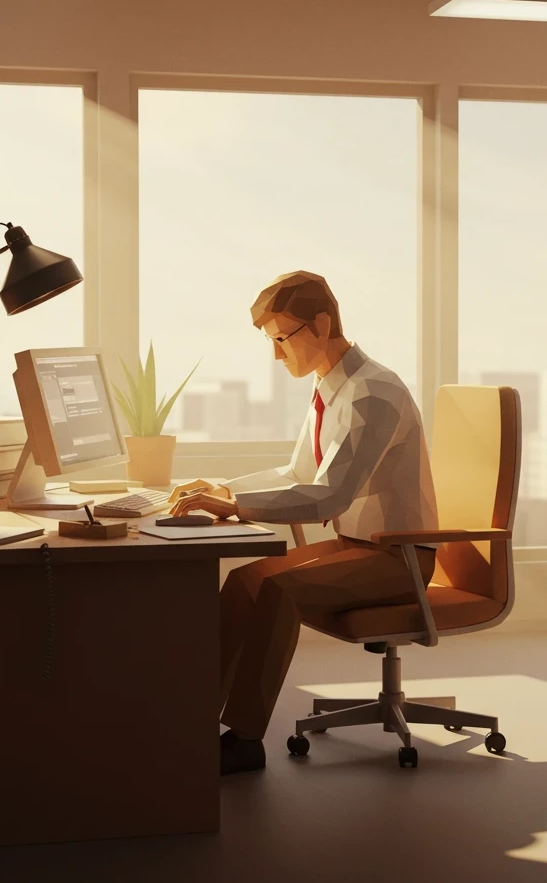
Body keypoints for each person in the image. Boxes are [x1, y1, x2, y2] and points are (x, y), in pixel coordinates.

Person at [168, 270, 439, 775]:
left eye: (282, 340)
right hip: (357, 546)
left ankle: (245, 739)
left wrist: (235, 507)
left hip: (398, 558)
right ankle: (188, 718)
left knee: (279, 591)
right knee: (244, 581)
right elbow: (299, 474)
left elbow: (330, 495)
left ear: (321, 324)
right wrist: (225, 491)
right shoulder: (330, 388)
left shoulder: (374, 394)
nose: (277, 356)